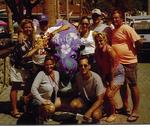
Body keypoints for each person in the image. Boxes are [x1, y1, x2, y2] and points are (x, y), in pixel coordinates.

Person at [111, 10, 143, 122]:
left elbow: (139, 42)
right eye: (113, 18)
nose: (115, 20)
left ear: (121, 19)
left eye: (117, 18)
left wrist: (134, 52)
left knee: (133, 85)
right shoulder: (114, 30)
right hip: (119, 63)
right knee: (123, 86)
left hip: (129, 62)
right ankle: (126, 108)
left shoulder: (126, 28)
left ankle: (135, 111)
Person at [94, 32, 125, 122]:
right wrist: (103, 79)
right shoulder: (97, 50)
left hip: (117, 73)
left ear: (105, 40)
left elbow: (112, 68)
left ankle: (113, 114)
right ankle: (109, 112)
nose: (99, 43)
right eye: (97, 41)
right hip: (107, 73)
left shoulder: (109, 50)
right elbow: (100, 67)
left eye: (101, 41)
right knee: (103, 92)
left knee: (109, 94)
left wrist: (111, 82)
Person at [10, 19, 35, 118]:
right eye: (26, 27)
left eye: (30, 27)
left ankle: (25, 107)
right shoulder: (20, 38)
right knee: (15, 87)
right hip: (17, 67)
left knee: (27, 87)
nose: (28, 29)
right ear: (22, 28)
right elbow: (23, 55)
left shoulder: (30, 38)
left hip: (26, 67)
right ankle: (14, 110)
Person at [70, 55, 106, 123]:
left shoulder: (96, 78)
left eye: (85, 65)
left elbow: (100, 100)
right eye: (81, 66)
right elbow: (76, 91)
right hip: (86, 101)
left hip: (96, 102)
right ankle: (82, 117)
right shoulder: (78, 76)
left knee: (96, 115)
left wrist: (89, 111)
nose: (83, 68)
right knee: (73, 104)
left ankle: (95, 119)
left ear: (89, 66)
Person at [31, 55, 61, 121]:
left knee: (65, 104)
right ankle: (41, 114)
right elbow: (33, 89)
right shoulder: (41, 74)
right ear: (44, 65)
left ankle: (48, 114)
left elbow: (56, 89)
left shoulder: (57, 73)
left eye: (50, 64)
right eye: (46, 65)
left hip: (50, 100)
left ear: (54, 64)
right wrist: (42, 100)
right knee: (51, 108)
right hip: (39, 100)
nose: (49, 66)